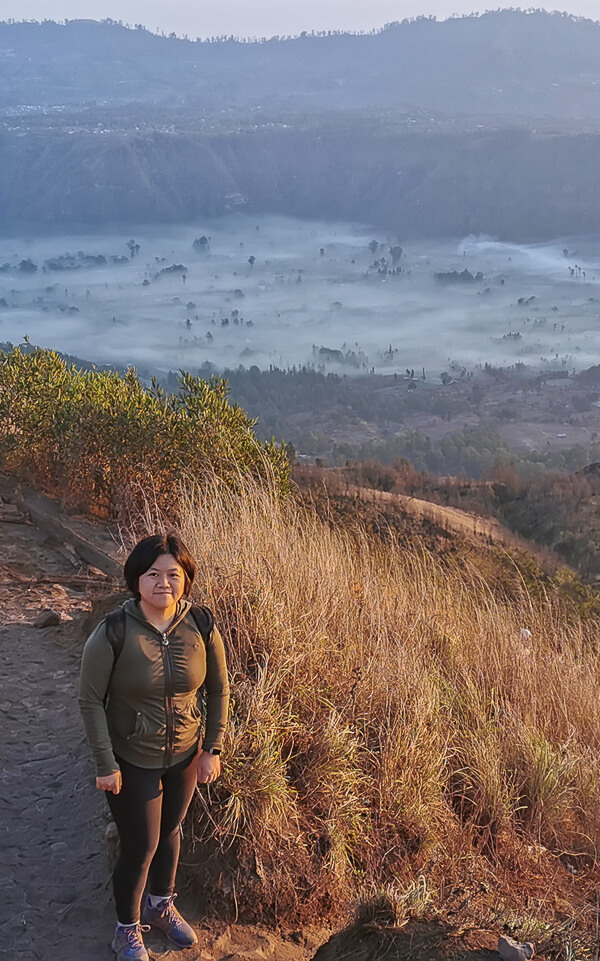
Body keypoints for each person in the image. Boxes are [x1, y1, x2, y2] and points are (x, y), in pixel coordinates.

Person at [79, 533, 230, 961]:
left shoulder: (201, 624)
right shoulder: (113, 631)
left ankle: (161, 905)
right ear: (136, 579)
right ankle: (126, 929)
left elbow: (219, 689)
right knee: (140, 843)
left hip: (185, 752)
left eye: (173, 574)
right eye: (153, 574)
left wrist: (212, 749)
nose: (163, 583)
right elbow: (90, 700)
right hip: (131, 757)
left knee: (170, 831)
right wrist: (105, 763)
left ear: (186, 579)